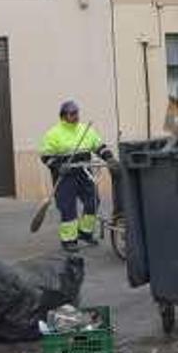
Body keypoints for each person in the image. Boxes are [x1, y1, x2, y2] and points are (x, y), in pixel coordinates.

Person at [40, 100, 117, 252]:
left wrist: (109, 158)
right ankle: (68, 240)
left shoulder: (85, 130)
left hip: (84, 172)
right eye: (72, 113)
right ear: (63, 116)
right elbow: (45, 156)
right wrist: (57, 166)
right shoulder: (53, 133)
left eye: (77, 113)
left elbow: (99, 146)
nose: (76, 116)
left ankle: (85, 232)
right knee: (68, 208)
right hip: (65, 176)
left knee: (93, 201)